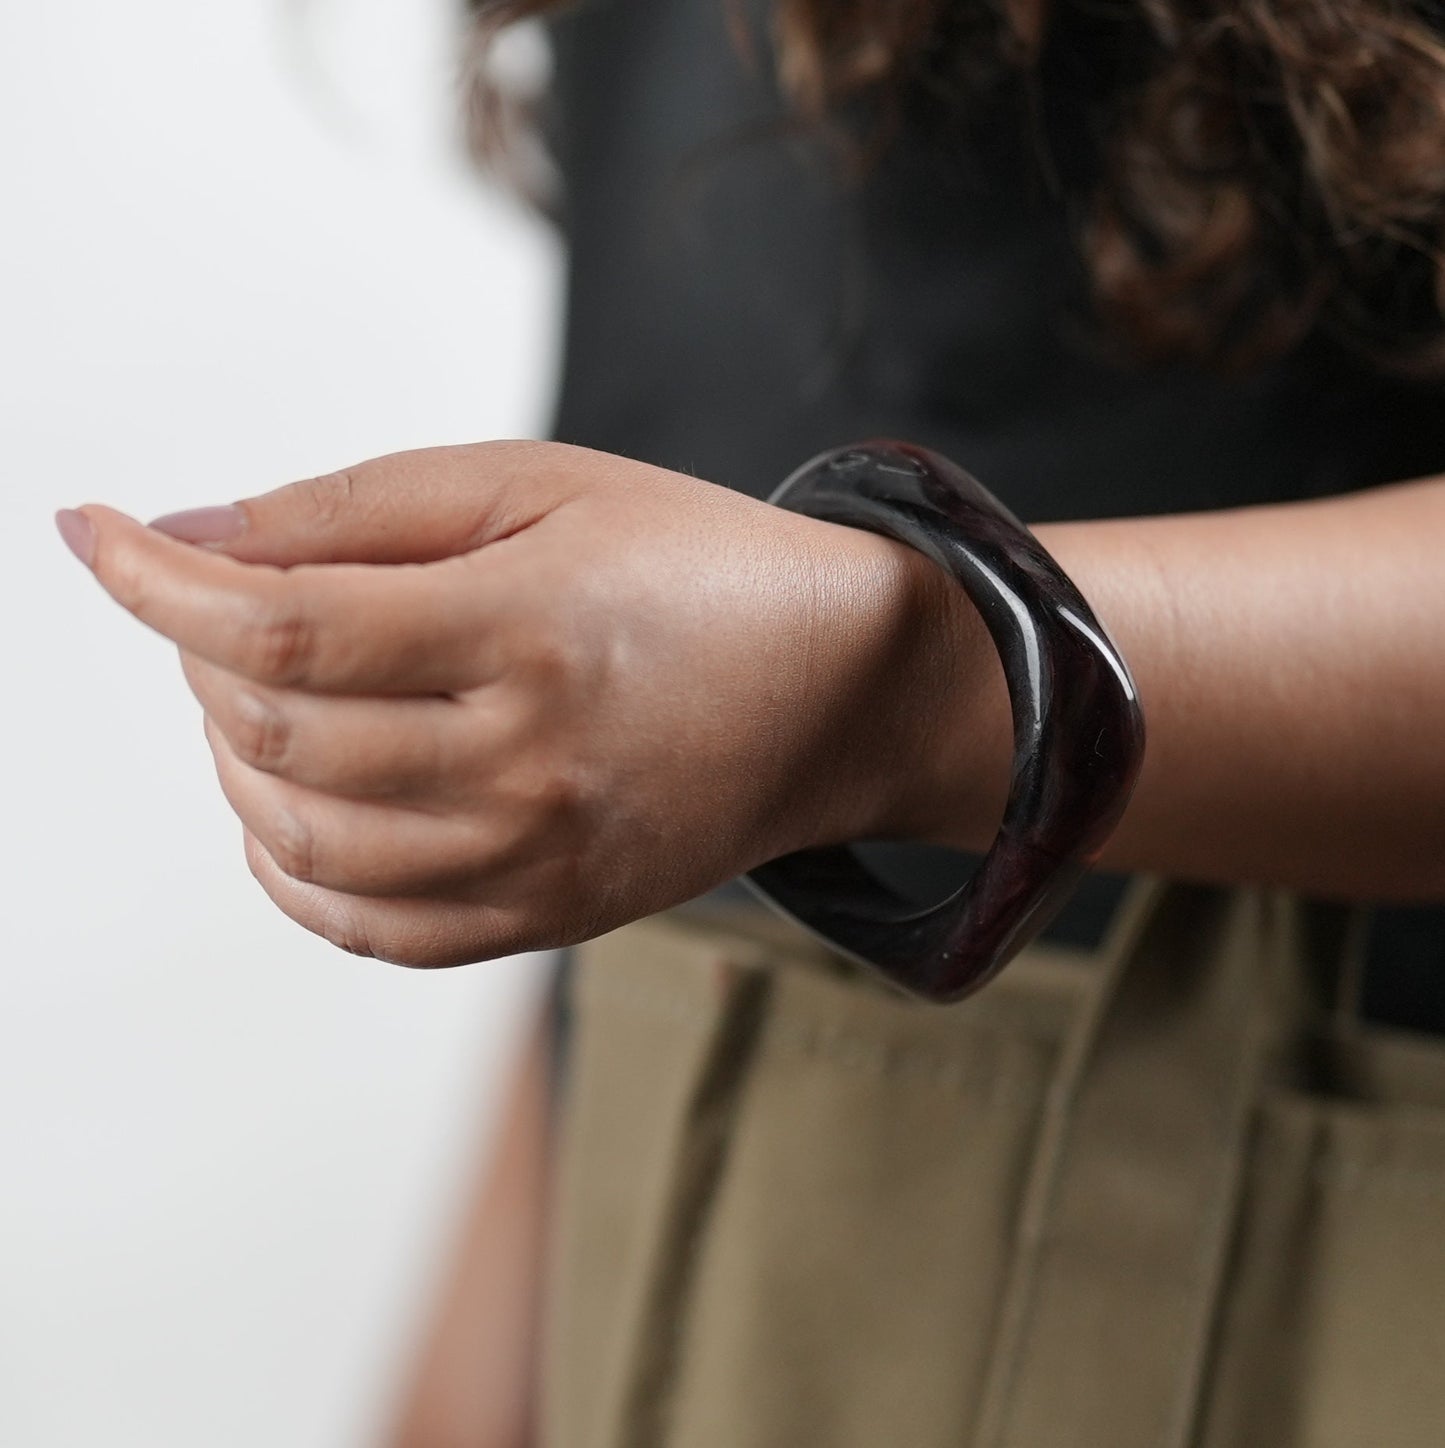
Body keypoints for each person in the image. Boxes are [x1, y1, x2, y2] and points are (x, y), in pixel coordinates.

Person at [55, 0, 1445, 1443]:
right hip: (718, 1184)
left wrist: (897, 685)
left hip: (1313, 1248)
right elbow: (684, 445)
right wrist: (478, 1383)